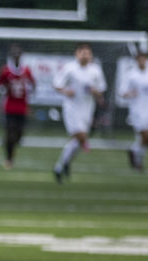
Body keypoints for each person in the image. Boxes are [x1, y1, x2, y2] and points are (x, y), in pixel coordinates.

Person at [52, 42, 106, 183]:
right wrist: (66, 91)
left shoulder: (95, 70)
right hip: (72, 109)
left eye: (88, 53)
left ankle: (60, 166)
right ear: (77, 54)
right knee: (81, 136)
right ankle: (71, 157)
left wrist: (96, 92)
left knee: (76, 141)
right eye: (82, 53)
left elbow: (101, 90)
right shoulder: (70, 69)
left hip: (87, 109)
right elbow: (57, 84)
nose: (85, 56)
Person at [0, 44, 35, 170]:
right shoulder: (6, 71)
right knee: (10, 134)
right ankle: (9, 159)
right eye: (14, 55)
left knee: (18, 135)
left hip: (22, 108)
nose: (17, 57)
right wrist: (6, 89)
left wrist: (29, 92)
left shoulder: (26, 71)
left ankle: (11, 146)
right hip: (9, 107)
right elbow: (0, 87)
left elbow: (33, 85)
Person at [119, 51, 148, 172]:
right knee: (147, 138)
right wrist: (130, 93)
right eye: (140, 59)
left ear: (147, 60)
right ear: (137, 60)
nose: (142, 61)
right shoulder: (131, 75)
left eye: (144, 59)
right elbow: (122, 92)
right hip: (137, 111)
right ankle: (138, 161)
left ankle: (134, 152)